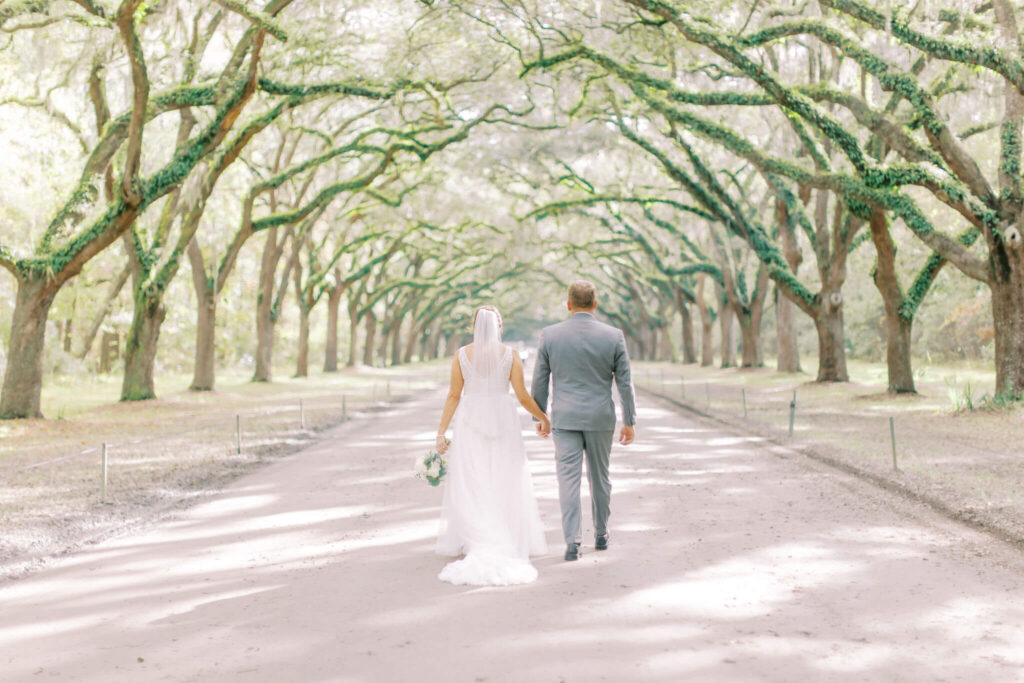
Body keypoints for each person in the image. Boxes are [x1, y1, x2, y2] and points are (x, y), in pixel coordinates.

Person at [434, 305, 550, 585]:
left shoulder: (461, 355)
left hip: (470, 421)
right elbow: (522, 396)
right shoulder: (509, 355)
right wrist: (543, 417)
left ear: (474, 325)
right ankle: (505, 533)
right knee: (505, 477)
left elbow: (453, 395)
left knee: (473, 479)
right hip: (503, 421)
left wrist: (441, 432)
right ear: (498, 326)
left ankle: (476, 536)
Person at [531, 280, 636, 561]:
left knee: (568, 480)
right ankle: (601, 534)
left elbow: (540, 379)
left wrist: (539, 416)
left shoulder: (550, 335)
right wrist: (629, 419)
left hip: (564, 417)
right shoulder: (613, 336)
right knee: (600, 478)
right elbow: (625, 382)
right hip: (601, 417)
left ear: (568, 305)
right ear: (595, 304)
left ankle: (572, 542)